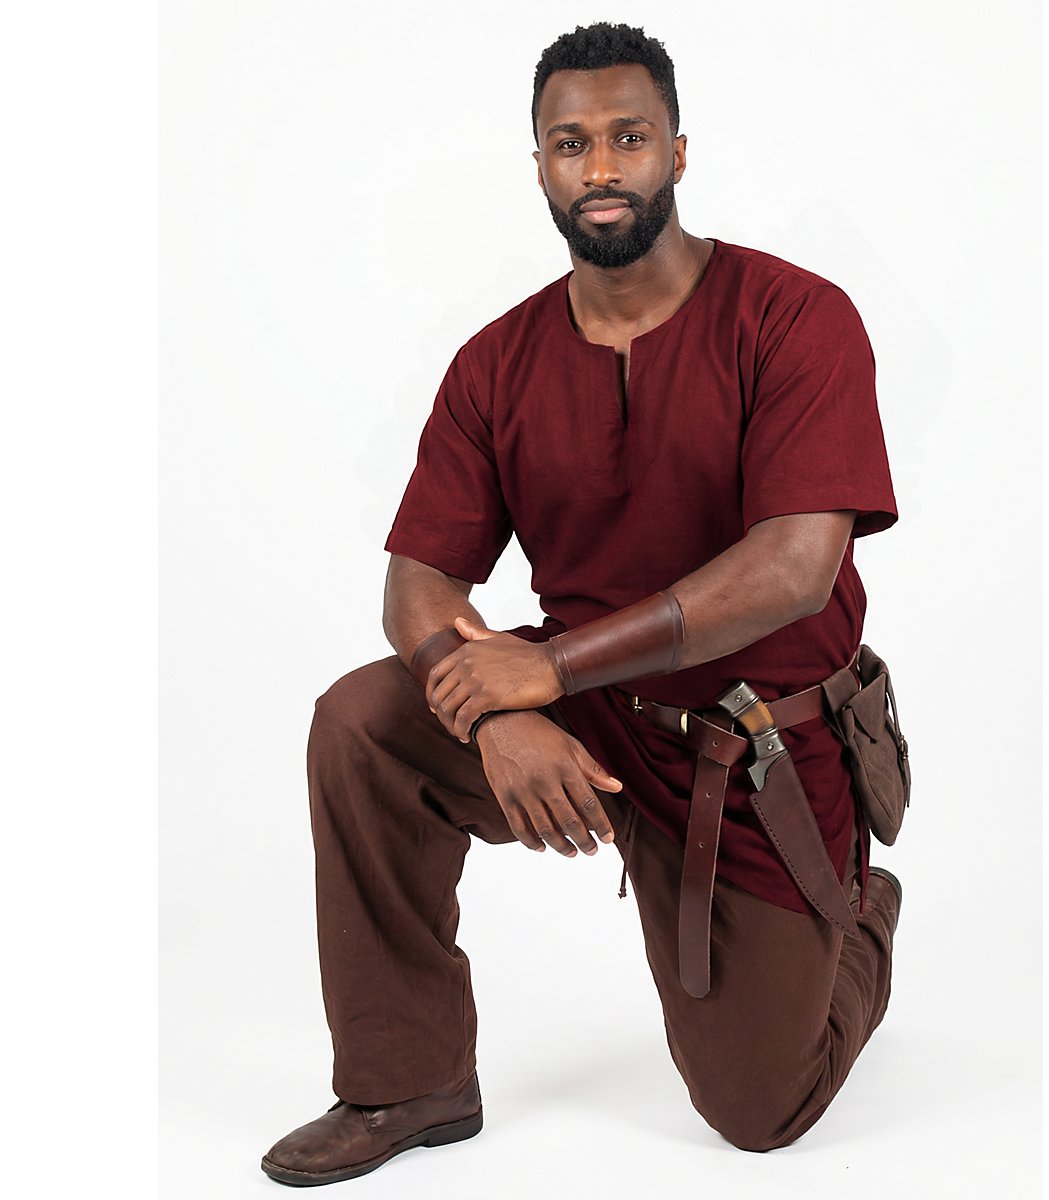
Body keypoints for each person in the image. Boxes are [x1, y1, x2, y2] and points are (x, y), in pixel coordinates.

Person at [261, 21, 903, 1187]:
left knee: (761, 1111)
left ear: (679, 151)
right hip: (593, 718)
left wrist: (545, 671)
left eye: (628, 137)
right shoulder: (495, 362)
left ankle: (857, 919)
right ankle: (408, 1081)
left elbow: (794, 567)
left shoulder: (795, 316)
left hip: (754, 738)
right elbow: (417, 582)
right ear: (540, 166)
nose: (600, 168)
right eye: (571, 144)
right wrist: (495, 713)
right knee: (362, 723)